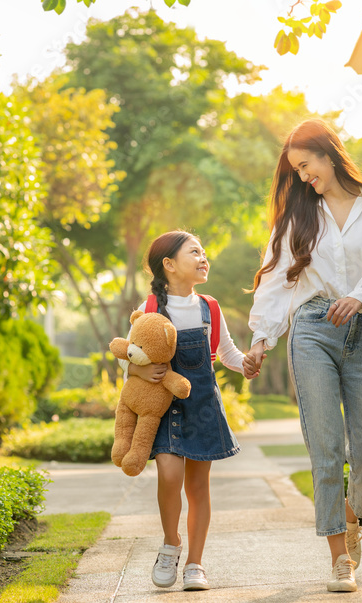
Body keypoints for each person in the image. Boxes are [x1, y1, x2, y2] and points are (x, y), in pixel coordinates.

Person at [243, 119, 362, 593]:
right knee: (325, 447)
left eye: (306, 165)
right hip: (313, 331)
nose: (302, 177)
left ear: (328, 154)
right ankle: (340, 559)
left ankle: (350, 513)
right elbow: (278, 280)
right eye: (295, 170)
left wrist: (360, 296)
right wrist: (261, 339)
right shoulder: (299, 216)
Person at [118, 230, 257, 591]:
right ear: (169, 265)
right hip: (163, 407)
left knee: (198, 487)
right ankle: (171, 544)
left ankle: (195, 563)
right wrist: (139, 370)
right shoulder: (149, 307)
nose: (203, 257)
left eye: (204, 252)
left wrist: (247, 364)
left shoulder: (209, 306)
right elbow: (128, 358)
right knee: (168, 474)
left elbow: (226, 353)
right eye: (194, 252)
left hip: (202, 405)